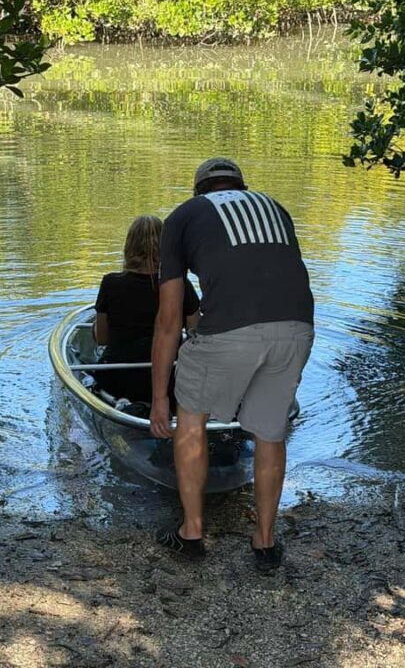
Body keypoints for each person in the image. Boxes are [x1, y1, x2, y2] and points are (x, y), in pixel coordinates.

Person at [151, 158, 314, 570]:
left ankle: (191, 532)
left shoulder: (183, 217)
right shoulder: (276, 207)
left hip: (229, 333)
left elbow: (169, 320)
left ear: (198, 190)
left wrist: (157, 399)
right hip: (297, 327)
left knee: (191, 418)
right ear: (242, 185)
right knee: (270, 430)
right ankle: (264, 543)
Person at [93, 215, 200, 409]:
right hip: (169, 378)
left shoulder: (110, 283)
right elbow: (196, 335)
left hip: (120, 377)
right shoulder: (180, 284)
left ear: (130, 246)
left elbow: (102, 338)